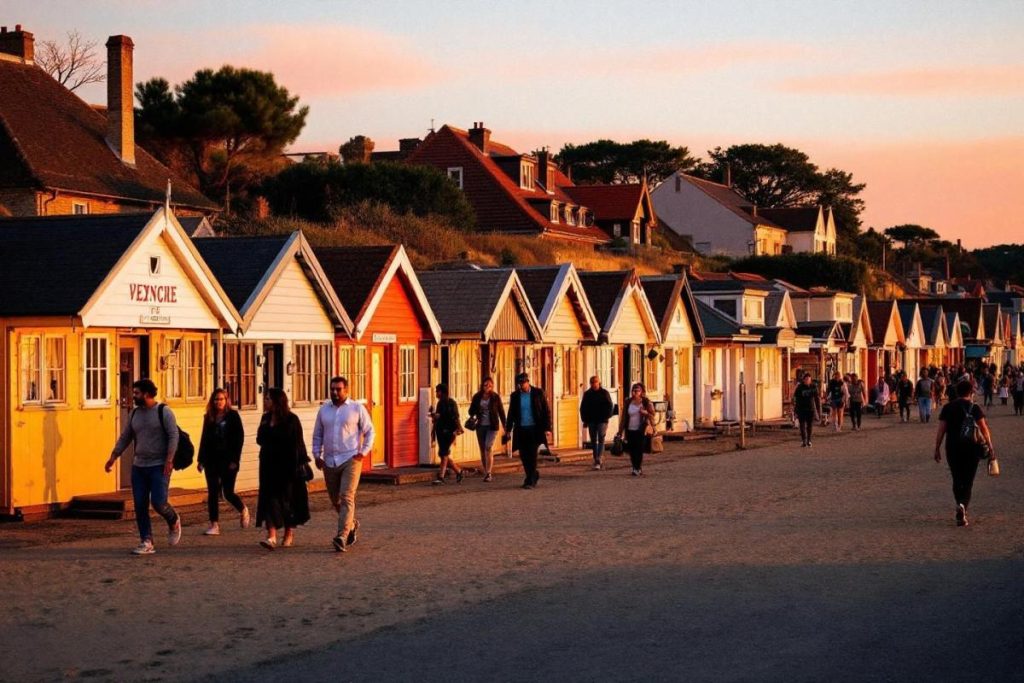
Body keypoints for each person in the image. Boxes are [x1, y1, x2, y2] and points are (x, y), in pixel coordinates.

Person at [105, 379, 182, 555]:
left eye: (137, 393)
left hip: (159, 465)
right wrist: (114, 456)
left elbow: (173, 436)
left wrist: (169, 459)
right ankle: (146, 541)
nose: (134, 396)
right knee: (140, 504)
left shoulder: (164, 412)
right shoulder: (134, 414)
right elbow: (126, 436)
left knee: (158, 502)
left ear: (147, 394)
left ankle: (173, 519)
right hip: (139, 466)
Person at [312, 376, 374, 553]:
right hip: (330, 461)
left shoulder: (356, 408)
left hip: (351, 459)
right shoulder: (324, 410)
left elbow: (370, 431)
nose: (335, 392)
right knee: (336, 500)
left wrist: (363, 451)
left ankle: (342, 536)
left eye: (338, 389)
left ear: (346, 390)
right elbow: (318, 434)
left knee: (347, 496)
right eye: (332, 389)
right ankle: (351, 524)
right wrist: (317, 454)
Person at [933, 379, 997, 527]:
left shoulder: (948, 408)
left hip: (953, 447)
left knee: (956, 477)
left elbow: (941, 430)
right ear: (971, 392)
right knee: (968, 480)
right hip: (971, 448)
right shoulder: (974, 408)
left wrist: (937, 448)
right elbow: (984, 429)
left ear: (957, 392)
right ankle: (963, 506)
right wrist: (990, 447)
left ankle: (959, 504)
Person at [255, 388, 310, 550]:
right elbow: (259, 438)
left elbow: (298, 443)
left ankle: (288, 533)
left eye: (267, 399)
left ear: (276, 401)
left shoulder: (291, 420)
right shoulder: (265, 419)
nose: (265, 402)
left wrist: (301, 463)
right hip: (268, 465)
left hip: (287, 467)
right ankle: (271, 536)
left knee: (287, 501)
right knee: (269, 499)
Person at [197, 388, 248, 535]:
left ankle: (242, 508)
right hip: (212, 459)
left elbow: (239, 439)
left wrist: (235, 460)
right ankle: (214, 524)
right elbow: (204, 439)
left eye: (221, 399)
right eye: (216, 399)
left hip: (228, 459)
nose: (218, 402)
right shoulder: (209, 417)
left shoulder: (233, 416)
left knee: (228, 492)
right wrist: (201, 460)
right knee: (213, 491)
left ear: (226, 401)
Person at [505, 372, 552, 489]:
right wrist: (508, 429)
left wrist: (547, 428)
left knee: (532, 454)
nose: (522, 386)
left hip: (534, 429)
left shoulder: (538, 393)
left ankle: (530, 480)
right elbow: (511, 413)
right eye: (520, 384)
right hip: (521, 429)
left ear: (528, 382)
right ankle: (532, 474)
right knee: (523, 455)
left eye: (523, 383)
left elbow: (546, 411)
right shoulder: (515, 396)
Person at [468, 377, 506, 482]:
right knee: (482, 449)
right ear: (482, 386)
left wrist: (505, 426)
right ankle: (486, 471)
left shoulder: (495, 397)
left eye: (490, 385)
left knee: (488, 447)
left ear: (492, 386)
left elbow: (501, 412)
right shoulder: (477, 397)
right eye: (485, 385)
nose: (487, 387)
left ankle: (489, 472)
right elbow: (470, 411)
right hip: (480, 426)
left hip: (492, 426)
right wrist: (476, 410)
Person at [617, 382, 655, 476]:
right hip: (630, 429)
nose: (634, 392)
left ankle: (638, 467)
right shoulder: (628, 402)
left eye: (637, 390)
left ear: (641, 392)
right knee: (632, 450)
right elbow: (624, 417)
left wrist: (645, 412)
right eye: (633, 390)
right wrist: (620, 431)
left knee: (639, 449)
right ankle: (634, 467)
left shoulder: (646, 402)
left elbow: (652, 415)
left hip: (641, 430)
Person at [430, 384, 465, 485]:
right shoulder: (442, 403)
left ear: (442, 392)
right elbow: (440, 417)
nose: (436, 393)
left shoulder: (447, 403)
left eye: (437, 391)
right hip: (441, 431)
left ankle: (441, 477)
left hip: (448, 431)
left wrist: (459, 428)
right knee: (442, 454)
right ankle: (458, 471)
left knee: (444, 454)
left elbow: (454, 417)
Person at [579, 375, 614, 470]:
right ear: (591, 384)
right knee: (593, 440)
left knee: (601, 438)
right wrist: (585, 419)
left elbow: (610, 405)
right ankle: (596, 458)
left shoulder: (604, 393)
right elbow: (583, 408)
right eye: (592, 383)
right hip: (591, 420)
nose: (594, 384)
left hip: (602, 420)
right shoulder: (587, 394)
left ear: (599, 383)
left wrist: (607, 416)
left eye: (596, 382)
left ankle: (599, 458)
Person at [792, 374, 821, 447]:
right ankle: (804, 440)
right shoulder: (800, 387)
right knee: (802, 425)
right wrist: (795, 410)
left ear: (810, 380)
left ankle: (809, 440)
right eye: (806, 379)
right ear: (804, 380)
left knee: (810, 425)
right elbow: (796, 398)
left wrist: (818, 410)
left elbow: (817, 398)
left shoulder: (813, 387)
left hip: (810, 409)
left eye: (809, 379)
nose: (807, 381)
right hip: (801, 409)